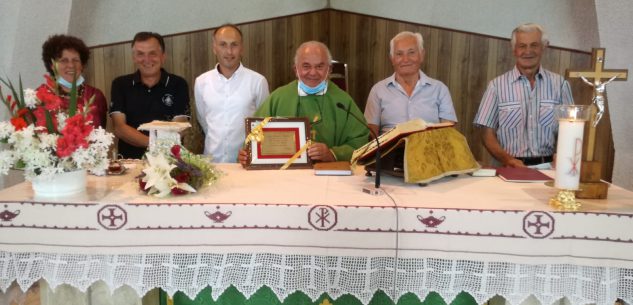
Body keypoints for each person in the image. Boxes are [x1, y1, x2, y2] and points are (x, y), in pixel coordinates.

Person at [238, 41, 369, 164]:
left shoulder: (342, 101)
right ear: (296, 70)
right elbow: (255, 134)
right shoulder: (279, 98)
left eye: (319, 66)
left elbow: (360, 141)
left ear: (329, 70)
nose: (313, 73)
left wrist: (333, 154)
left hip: (328, 175)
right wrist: (248, 153)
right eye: (306, 66)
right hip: (284, 177)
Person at [473, 23, 573, 168]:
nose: (528, 51)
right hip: (507, 167)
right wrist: (508, 160)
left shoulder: (561, 85)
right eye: (522, 46)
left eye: (534, 45)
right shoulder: (496, 86)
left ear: (544, 47)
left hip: (549, 168)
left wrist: (563, 156)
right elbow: (486, 133)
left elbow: (570, 129)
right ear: (514, 50)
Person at [194, 24, 269, 163]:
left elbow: (263, 124)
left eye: (234, 45)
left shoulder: (258, 81)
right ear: (214, 48)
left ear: (242, 48)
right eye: (223, 44)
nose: (229, 51)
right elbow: (204, 121)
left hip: (246, 164)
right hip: (211, 164)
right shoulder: (201, 82)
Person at [110, 32, 190, 159]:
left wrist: (159, 150)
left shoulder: (178, 84)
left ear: (163, 56)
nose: (146, 59)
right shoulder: (120, 84)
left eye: (152, 53)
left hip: (168, 161)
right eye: (140, 54)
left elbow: (180, 126)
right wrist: (156, 145)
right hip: (129, 163)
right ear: (134, 57)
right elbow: (119, 128)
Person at [364, 31, 457, 136]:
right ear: (392, 59)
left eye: (411, 52)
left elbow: (449, 133)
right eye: (399, 54)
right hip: (390, 151)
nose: (405, 59)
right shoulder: (378, 90)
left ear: (422, 55)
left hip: (428, 150)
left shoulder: (440, 89)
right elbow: (371, 135)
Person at [40, 34, 107, 128]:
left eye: (76, 60)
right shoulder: (40, 96)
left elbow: (101, 131)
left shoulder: (95, 96)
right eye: (64, 60)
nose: (71, 65)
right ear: (52, 66)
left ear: (82, 65)